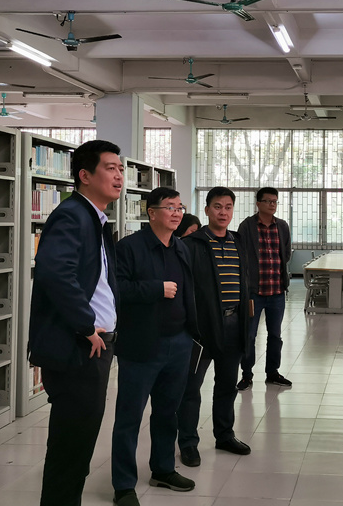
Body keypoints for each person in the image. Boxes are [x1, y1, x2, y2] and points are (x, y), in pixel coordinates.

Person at [28, 139, 124, 506]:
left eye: (120, 169)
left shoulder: (94, 218)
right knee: (71, 449)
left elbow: (96, 281)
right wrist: (86, 325)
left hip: (93, 346)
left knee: (79, 444)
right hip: (78, 347)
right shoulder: (72, 215)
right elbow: (54, 272)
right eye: (110, 168)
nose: (119, 176)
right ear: (85, 175)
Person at [111, 187, 200, 506]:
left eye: (180, 207)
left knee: (167, 412)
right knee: (129, 417)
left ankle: (162, 469)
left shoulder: (181, 247)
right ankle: (123, 485)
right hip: (141, 345)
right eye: (170, 207)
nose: (177, 213)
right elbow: (116, 289)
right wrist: (155, 289)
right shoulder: (129, 247)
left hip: (179, 343)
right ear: (151, 213)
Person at [176, 186, 252, 467]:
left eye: (228, 207)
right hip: (201, 329)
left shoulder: (238, 241)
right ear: (207, 210)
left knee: (227, 385)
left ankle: (224, 435)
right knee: (191, 388)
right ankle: (188, 442)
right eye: (218, 206)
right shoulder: (191, 244)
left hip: (234, 324)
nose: (223, 212)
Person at [236, 187, 292, 390]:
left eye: (275, 201)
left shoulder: (282, 226)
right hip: (254, 292)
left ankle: (272, 372)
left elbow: (286, 253)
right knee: (249, 335)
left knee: (275, 335)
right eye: (268, 201)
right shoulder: (247, 226)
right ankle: (247, 375)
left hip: (277, 291)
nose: (272, 204)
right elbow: (241, 255)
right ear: (258, 203)